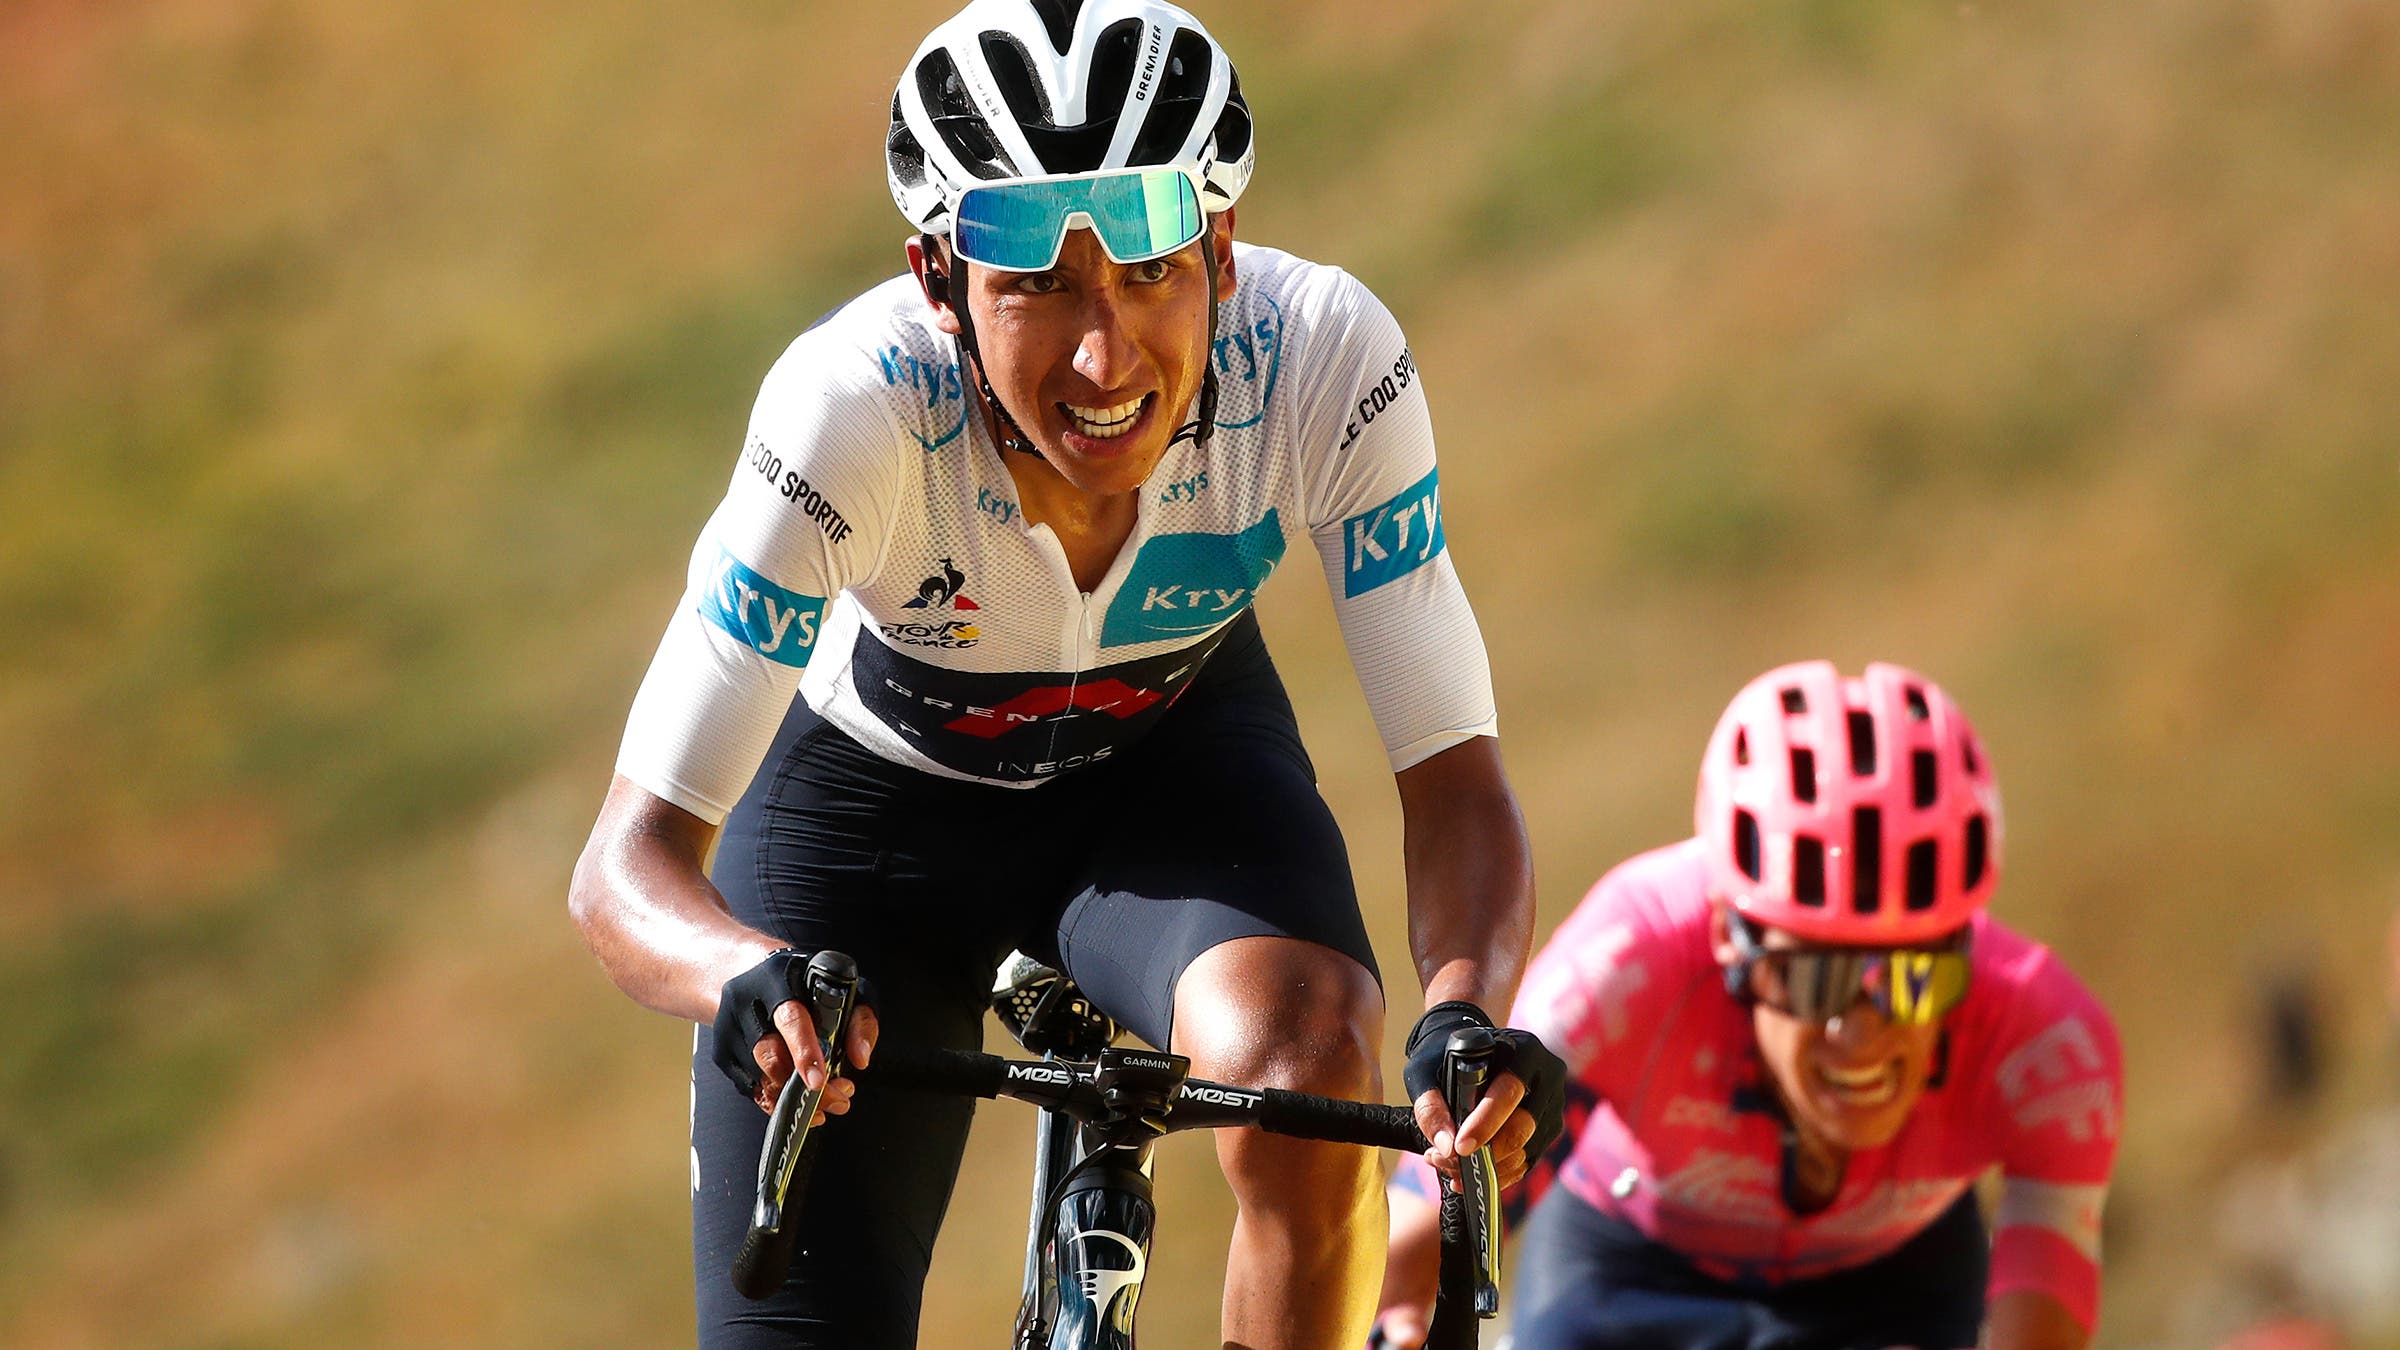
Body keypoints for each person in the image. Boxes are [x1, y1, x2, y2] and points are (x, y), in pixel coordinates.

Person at [566, 2, 1563, 1346]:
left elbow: (1454, 772)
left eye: (1150, 270)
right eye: (1037, 283)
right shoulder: (851, 414)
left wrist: (1464, 1014)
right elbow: (625, 868)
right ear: (939, 284)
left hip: (1174, 769)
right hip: (870, 825)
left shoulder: (1325, 360)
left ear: (1219, 249)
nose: (1106, 358)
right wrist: (746, 975)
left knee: (1312, 1056)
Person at [1373, 661, 2124, 1350]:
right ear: (1732, 947)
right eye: (1811, 979)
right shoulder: (1636, 957)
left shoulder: (2042, 1035)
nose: (1858, 1035)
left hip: (1893, 1285)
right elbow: (1431, 1222)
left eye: (1912, 980)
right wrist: (1399, 1316)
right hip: (1628, 1265)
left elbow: (2045, 1314)